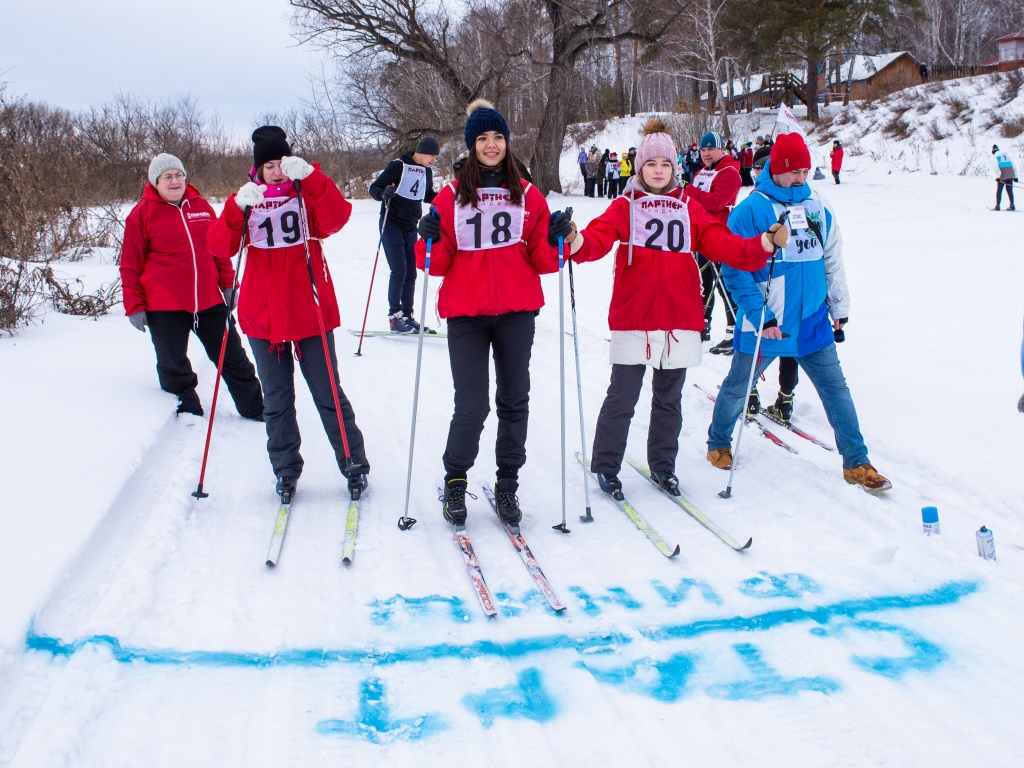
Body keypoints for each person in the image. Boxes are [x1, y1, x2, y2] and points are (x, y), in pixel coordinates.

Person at [557, 118, 782, 495]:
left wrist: (761, 245)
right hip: (635, 316)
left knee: (669, 400)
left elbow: (721, 243)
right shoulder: (625, 206)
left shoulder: (688, 206)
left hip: (680, 317)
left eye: (665, 165)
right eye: (651, 165)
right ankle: (607, 464)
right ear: (640, 169)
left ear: (674, 168)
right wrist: (575, 239)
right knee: (622, 397)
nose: (658, 171)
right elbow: (596, 240)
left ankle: (663, 465)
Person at [705, 133, 891, 493]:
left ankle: (856, 461)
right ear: (776, 169)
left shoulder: (817, 206)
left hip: (811, 322)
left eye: (806, 171)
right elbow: (734, 270)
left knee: (837, 391)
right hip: (765, 323)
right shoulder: (752, 209)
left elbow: (832, 259)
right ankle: (718, 442)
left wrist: (839, 307)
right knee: (738, 386)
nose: (801, 179)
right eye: (794, 172)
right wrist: (761, 315)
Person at [415, 100, 560, 526]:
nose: (492, 145)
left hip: (516, 310)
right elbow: (435, 264)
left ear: (507, 142)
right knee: (473, 404)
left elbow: (546, 260)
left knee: (514, 400)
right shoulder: (450, 194)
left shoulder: (528, 193)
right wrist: (426, 239)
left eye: (498, 137)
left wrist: (555, 238)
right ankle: (456, 479)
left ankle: (507, 481)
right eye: (483, 138)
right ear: (471, 144)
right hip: (467, 313)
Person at [207, 126, 370, 503]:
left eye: (281, 163)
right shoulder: (246, 200)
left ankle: (354, 463)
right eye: (268, 166)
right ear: (257, 170)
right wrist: (235, 209)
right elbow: (218, 245)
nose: (276, 172)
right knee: (277, 400)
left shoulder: (306, 194)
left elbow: (336, 218)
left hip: (309, 313)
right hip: (264, 319)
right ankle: (285, 470)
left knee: (329, 393)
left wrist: (313, 179)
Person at [120, 153, 264, 420]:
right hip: (165, 306)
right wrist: (134, 306)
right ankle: (187, 410)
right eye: (168, 177)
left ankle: (256, 408)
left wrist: (228, 284)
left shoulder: (201, 208)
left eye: (179, 175)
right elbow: (130, 265)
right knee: (173, 364)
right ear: (155, 182)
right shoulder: (141, 215)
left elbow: (219, 250)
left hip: (209, 301)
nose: (175, 181)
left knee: (233, 358)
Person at [368, 136, 439, 333]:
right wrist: (384, 193)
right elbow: (374, 189)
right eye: (432, 156)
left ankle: (408, 315)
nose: (434, 160)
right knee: (399, 269)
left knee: (411, 272)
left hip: (411, 225)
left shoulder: (427, 171)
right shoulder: (398, 166)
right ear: (422, 151)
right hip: (390, 223)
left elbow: (427, 195)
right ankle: (395, 317)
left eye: (436, 157)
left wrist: (447, 198)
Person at [684, 131, 743, 353]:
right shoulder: (702, 172)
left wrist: (688, 191)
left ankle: (734, 331)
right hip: (699, 235)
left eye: (711, 149)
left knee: (724, 284)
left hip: (719, 234)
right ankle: (702, 325)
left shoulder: (730, 173)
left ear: (721, 149)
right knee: (702, 282)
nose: (706, 153)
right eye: (703, 149)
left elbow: (718, 202)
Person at [992, 145, 1017, 211]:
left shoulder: (995, 157)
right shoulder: (1006, 156)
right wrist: (1015, 177)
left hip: (1003, 175)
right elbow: (1013, 166)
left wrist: (998, 177)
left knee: (999, 191)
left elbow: (996, 167)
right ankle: (1012, 205)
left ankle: (997, 206)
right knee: (1010, 190)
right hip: (1010, 174)